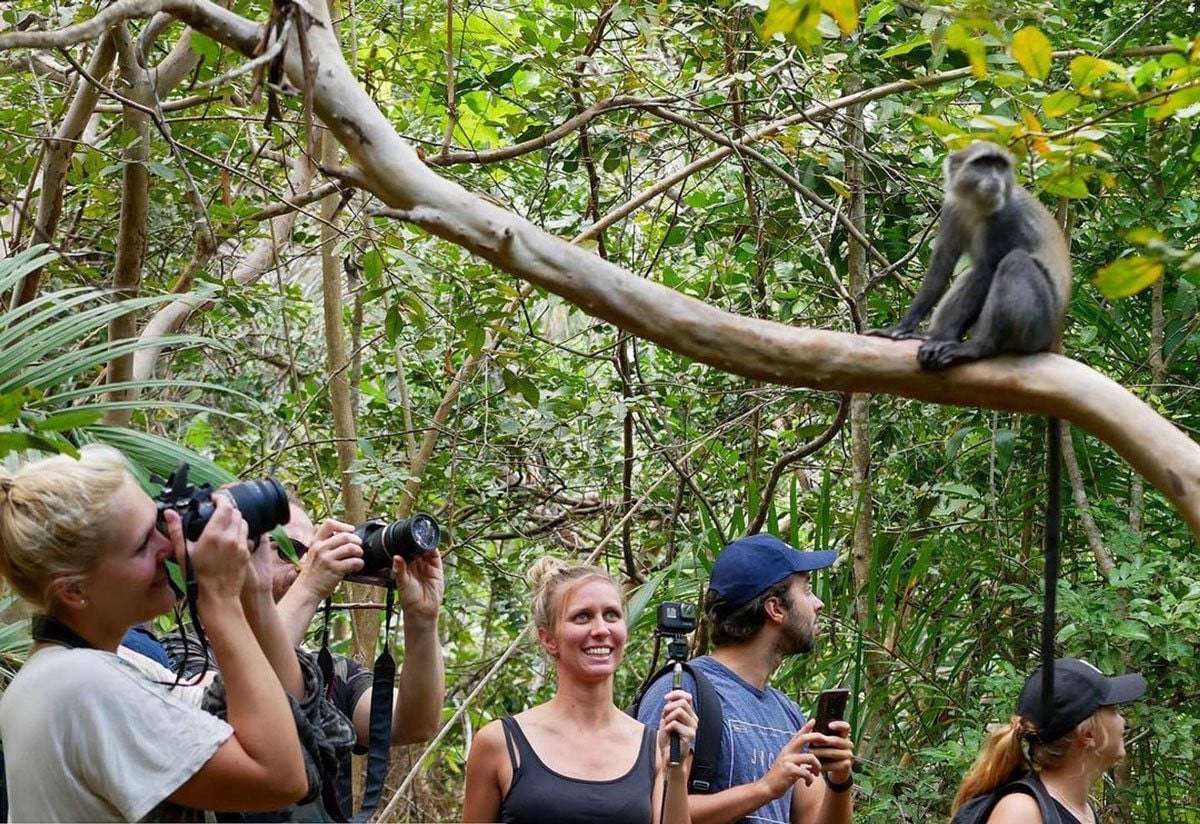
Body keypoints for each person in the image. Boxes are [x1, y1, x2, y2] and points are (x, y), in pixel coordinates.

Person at [0, 446, 308, 821]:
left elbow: (281, 704)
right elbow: (281, 778)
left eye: (161, 521)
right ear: (74, 591)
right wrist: (219, 601)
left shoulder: (82, 670)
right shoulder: (82, 685)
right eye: (144, 543)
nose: (169, 545)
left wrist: (254, 591)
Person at [635, 533, 855, 824]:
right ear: (775, 608)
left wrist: (840, 779)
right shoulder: (682, 690)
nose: (818, 604)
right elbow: (653, 811)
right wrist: (764, 789)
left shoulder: (786, 711)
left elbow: (812, 817)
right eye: (807, 591)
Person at [460, 557, 698, 824]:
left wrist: (674, 771)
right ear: (548, 639)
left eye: (611, 615)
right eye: (582, 616)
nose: (600, 630)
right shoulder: (500, 743)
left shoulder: (654, 746)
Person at [271, 503, 445, 752]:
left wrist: (422, 619)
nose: (304, 564)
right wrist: (308, 587)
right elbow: (244, 692)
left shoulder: (329, 675)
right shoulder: (197, 660)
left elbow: (413, 724)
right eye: (290, 549)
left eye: (312, 553)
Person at [951, 658, 1146, 824]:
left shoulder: (1081, 810)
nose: (1122, 721)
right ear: (1088, 735)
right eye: (1113, 710)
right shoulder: (1021, 811)